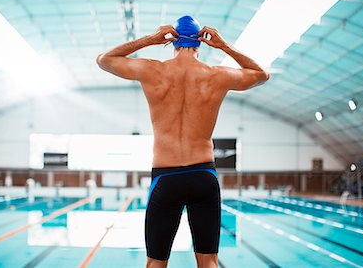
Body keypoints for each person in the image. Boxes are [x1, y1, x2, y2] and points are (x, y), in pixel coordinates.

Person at [97, 15, 269, 268]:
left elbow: (104, 60)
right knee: (209, 261)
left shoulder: (153, 70)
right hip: (203, 175)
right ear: (199, 44)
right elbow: (261, 74)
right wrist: (224, 46)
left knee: (156, 263)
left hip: (166, 178)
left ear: (173, 42)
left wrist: (150, 39)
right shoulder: (216, 75)